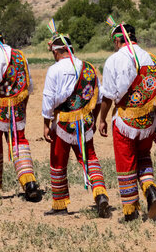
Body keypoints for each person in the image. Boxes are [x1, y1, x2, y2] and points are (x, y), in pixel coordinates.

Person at [42, 22, 110, 217]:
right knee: (89, 158)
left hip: (63, 122)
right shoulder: (89, 69)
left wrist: (46, 123)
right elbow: (99, 97)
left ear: (57, 52)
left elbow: (49, 99)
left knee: (58, 161)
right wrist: (94, 120)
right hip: (85, 122)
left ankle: (60, 204)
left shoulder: (54, 70)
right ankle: (100, 193)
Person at [98, 16, 156, 221]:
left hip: (125, 120)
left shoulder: (115, 60)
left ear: (118, 41)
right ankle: (150, 190)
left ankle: (131, 211)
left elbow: (108, 96)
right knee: (143, 157)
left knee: (126, 162)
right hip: (148, 120)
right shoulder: (153, 59)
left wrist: (102, 119)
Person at [0, 24, 40, 201]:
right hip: (18, 107)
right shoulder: (20, 55)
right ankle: (29, 183)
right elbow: (28, 85)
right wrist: (23, 106)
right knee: (19, 142)